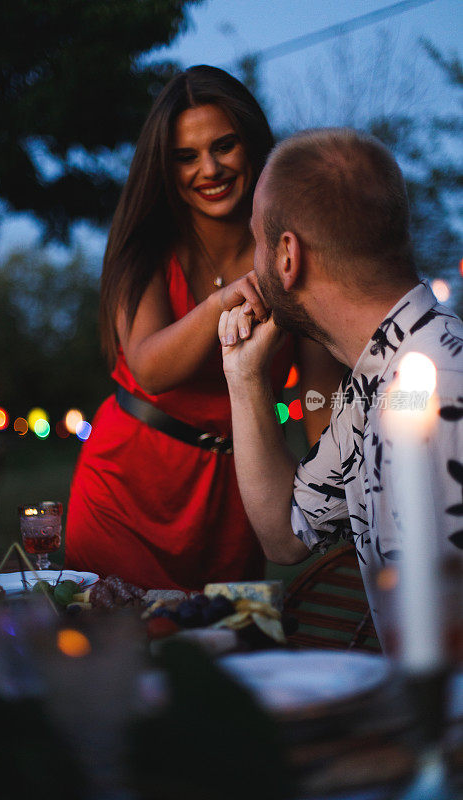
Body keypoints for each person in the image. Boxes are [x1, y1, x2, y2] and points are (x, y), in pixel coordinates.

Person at [65, 68, 343, 591]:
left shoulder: (291, 251)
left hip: (237, 495)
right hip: (127, 489)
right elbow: (149, 366)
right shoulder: (145, 243)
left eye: (224, 146)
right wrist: (222, 300)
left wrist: (355, 481)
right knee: (123, 659)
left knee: (223, 658)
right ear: (164, 167)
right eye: (186, 156)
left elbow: (318, 396)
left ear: (253, 146)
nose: (209, 168)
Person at [220, 127, 463, 636]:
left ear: (287, 257)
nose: (252, 265)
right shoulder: (375, 377)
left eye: (256, 241)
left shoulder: (437, 393)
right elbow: (286, 536)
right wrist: (243, 378)